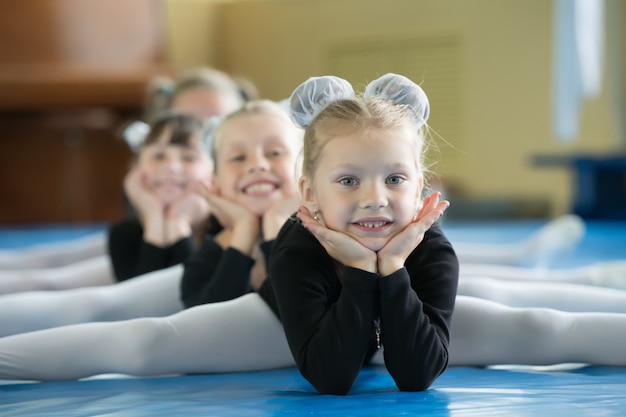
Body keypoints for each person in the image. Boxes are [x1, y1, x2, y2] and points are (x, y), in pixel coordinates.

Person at [2, 74, 626, 393]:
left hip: (405, 319)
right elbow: (329, 370)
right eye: (349, 180)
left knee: (542, 325)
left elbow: (415, 370)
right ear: (311, 194)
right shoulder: (299, 243)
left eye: (392, 180)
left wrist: (388, 270)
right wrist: (357, 269)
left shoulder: (428, 243)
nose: (374, 199)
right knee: (145, 344)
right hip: (290, 323)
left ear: (420, 188)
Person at [0, 99, 303, 337]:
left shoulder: (221, 220)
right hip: (163, 294)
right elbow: (149, 299)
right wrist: (160, 221)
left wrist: (182, 228)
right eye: (158, 156)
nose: (172, 167)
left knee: (72, 290)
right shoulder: (130, 233)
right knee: (57, 279)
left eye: (187, 157)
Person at [0, 66, 250, 292]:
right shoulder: (152, 176)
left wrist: (181, 221)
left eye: (216, 124)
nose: (200, 133)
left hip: (166, 267)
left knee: (58, 281)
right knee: (53, 264)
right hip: (147, 245)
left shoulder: (238, 194)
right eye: (185, 122)